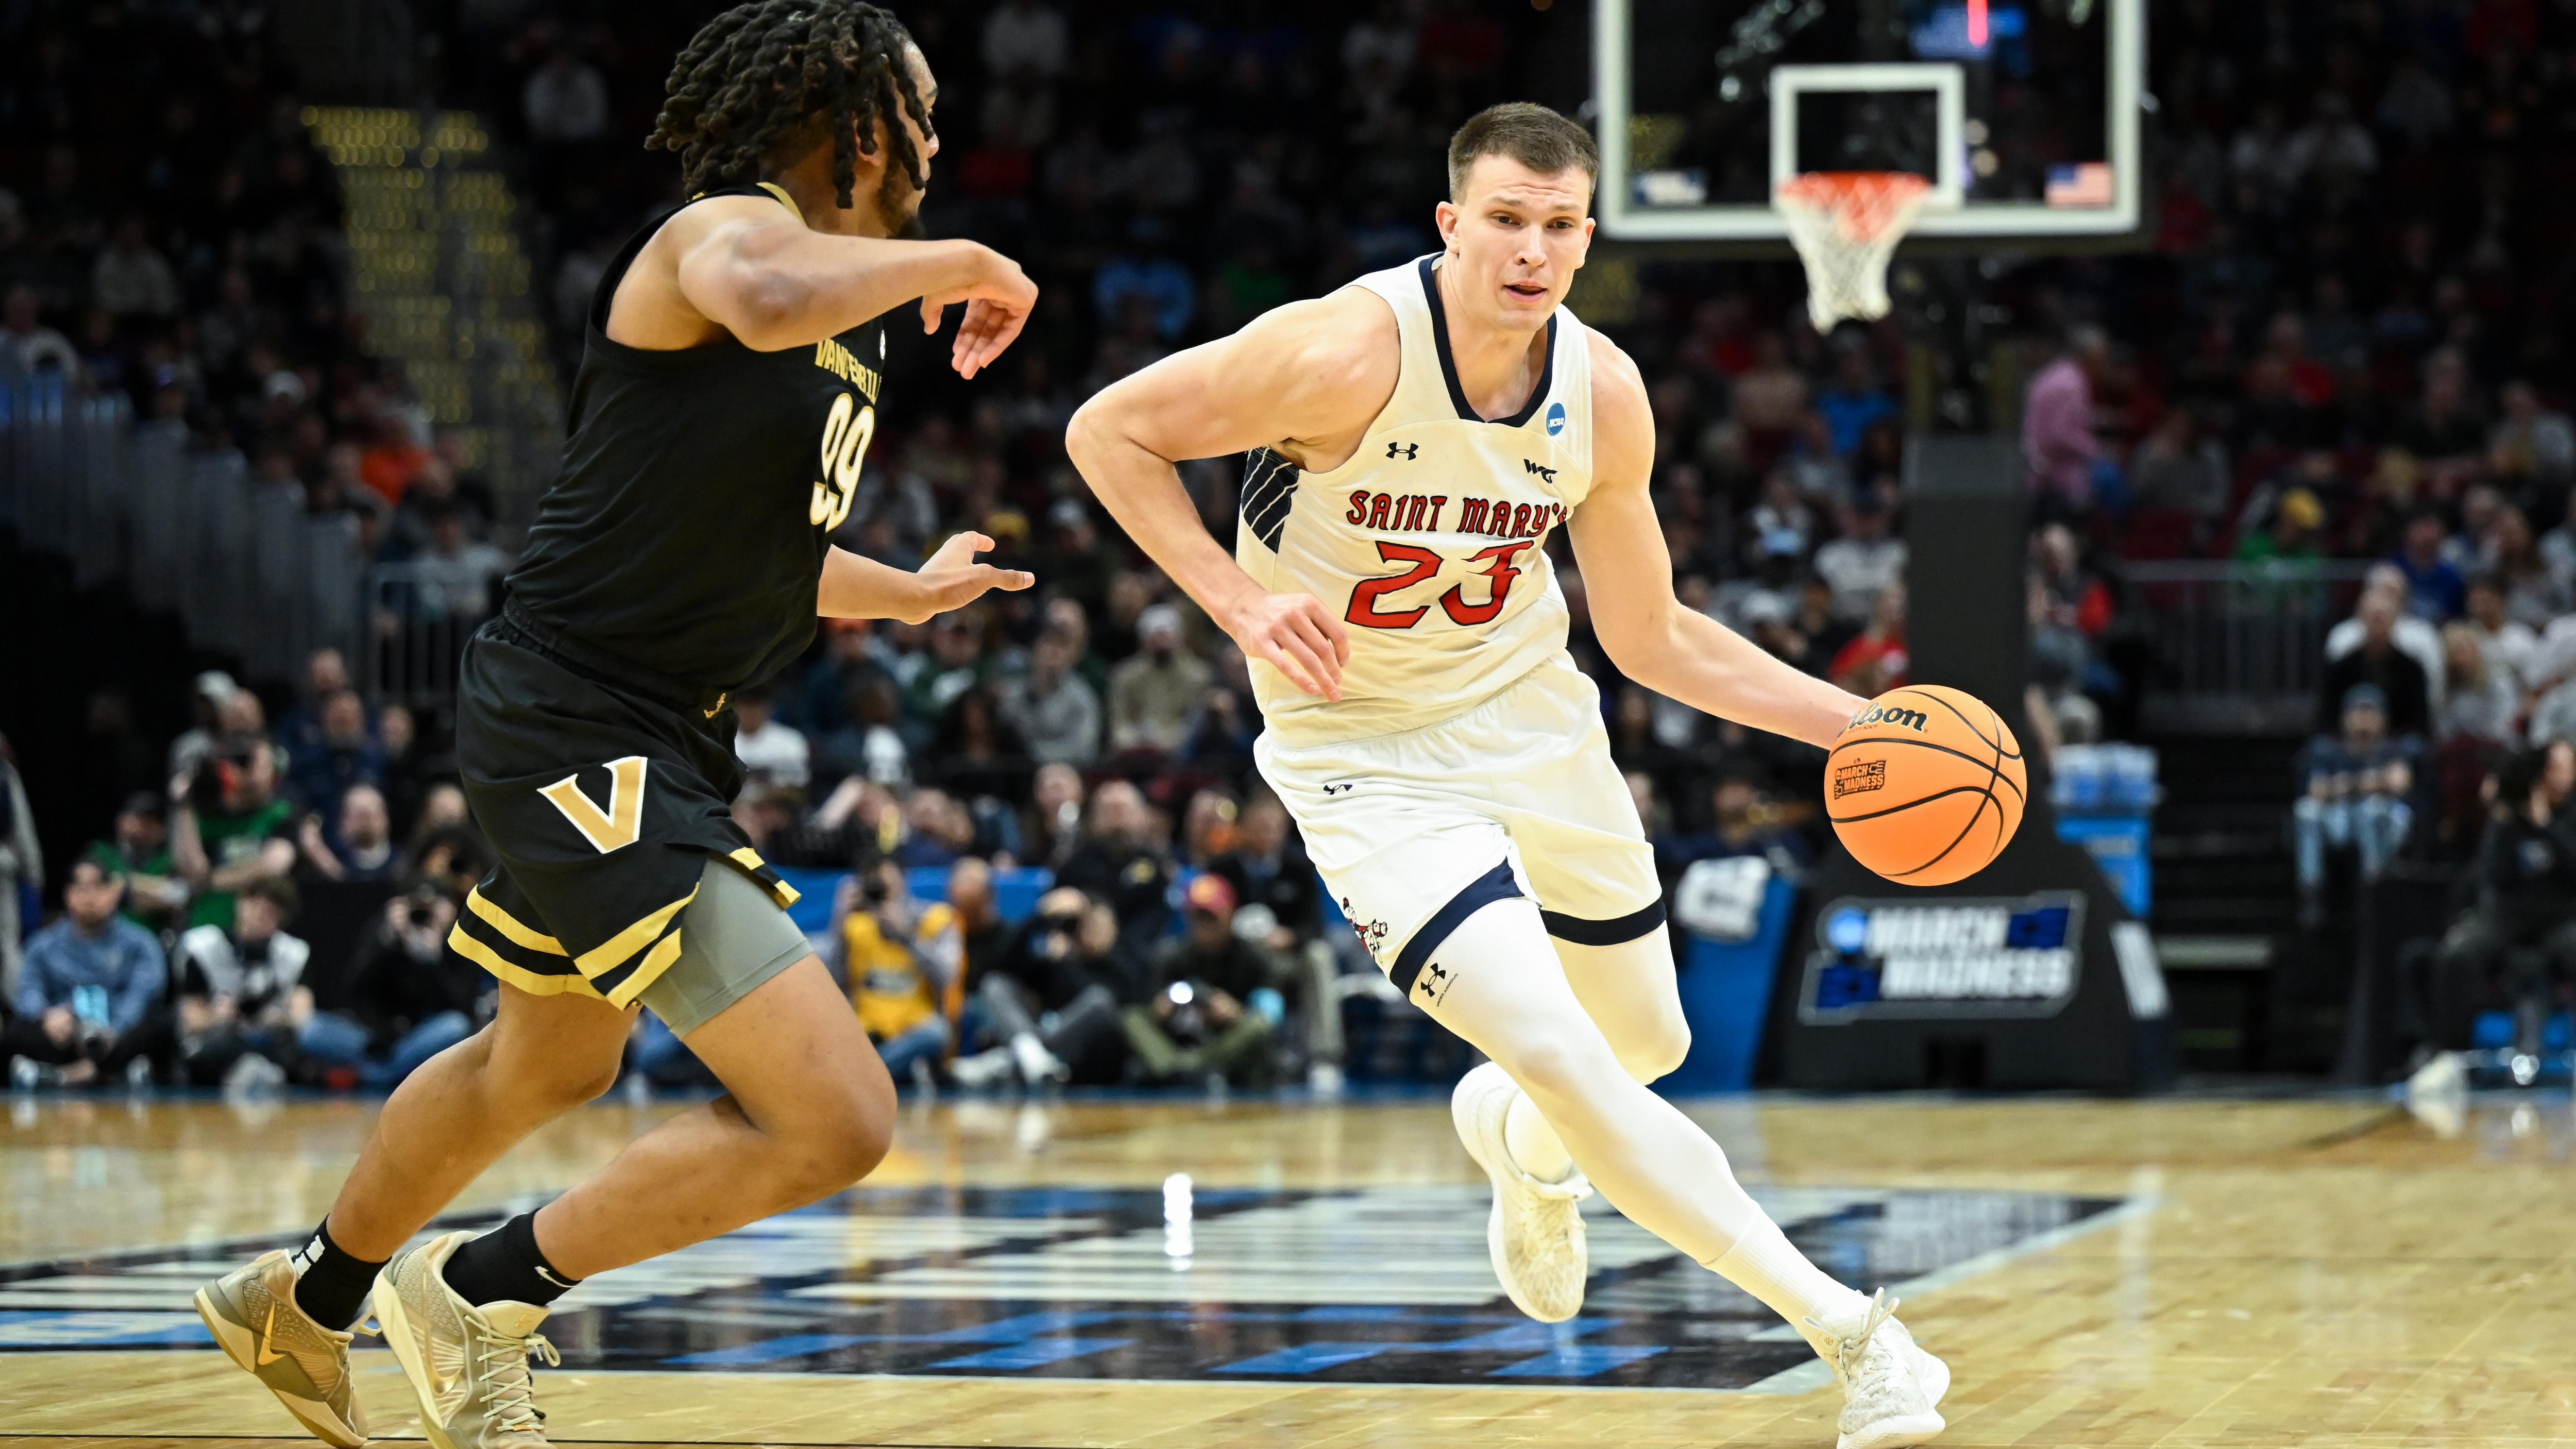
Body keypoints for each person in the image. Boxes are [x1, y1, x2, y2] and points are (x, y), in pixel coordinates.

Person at [192, 6, 1041, 1443]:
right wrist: (967, 259)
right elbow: (761, 293)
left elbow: (754, 541)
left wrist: (903, 596)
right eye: (924, 115)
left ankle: (310, 1299)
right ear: (850, 124)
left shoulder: (837, 309)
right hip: (580, 714)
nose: (940, 147)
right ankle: (481, 1289)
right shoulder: (718, 234)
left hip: (645, 719)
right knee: (837, 1117)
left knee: (549, 1059)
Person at [1067, 102, 1950, 1445]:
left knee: (1643, 1044)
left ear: (1584, 239)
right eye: (1504, 221)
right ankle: (1859, 1337)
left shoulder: (1600, 392)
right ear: (1452, 225)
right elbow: (1108, 431)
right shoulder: (1342, 348)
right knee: (1569, 1056)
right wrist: (1236, 606)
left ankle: (1515, 1140)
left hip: (1535, 719)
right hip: (1362, 757)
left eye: (1556, 228)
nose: (1530, 251)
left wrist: (1861, 726)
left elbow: (1650, 637)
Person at [6, 860, 168, 1088]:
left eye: (98, 887)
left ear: (113, 893)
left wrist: (115, 1028)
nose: (89, 896)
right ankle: (111, 1073)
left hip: (117, 1034)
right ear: (68, 895)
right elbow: (28, 990)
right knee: (15, 1030)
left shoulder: (140, 943)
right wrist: (47, 1016)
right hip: (65, 1036)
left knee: (162, 1024)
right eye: (80, 888)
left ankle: (61, 1076)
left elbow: (143, 993)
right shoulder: (42, 945)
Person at [1124, 874, 1285, 1088]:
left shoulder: (1254, 959)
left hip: (1226, 1047)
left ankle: (1200, 1069)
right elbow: (1149, 1009)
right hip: (1177, 1042)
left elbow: (1269, 1013)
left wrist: (1233, 1012)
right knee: (1131, 1018)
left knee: (1257, 1025)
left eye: (1211, 918)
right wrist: (1161, 1009)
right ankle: (1179, 1070)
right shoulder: (1170, 956)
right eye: (1198, 917)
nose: (1204, 926)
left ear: (1229, 915)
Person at [171, 877, 315, 1089]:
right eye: (254, 906)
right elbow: (190, 1019)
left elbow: (303, 1015)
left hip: (269, 1039)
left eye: (270, 913)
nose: (259, 917)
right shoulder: (205, 948)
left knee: (310, 1043)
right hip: (218, 1040)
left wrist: (277, 1018)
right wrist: (218, 1016)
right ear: (240, 903)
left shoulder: (292, 954)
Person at [2293, 684, 2417, 920]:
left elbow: (2399, 783)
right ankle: (2311, 892)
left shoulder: (2397, 748)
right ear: (2344, 719)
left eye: (2370, 714)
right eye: (2357, 714)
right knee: (2306, 812)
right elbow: (2316, 790)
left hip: (2388, 822)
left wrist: (2344, 785)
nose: (2364, 722)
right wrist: (2370, 782)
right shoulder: (2327, 750)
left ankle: (2376, 892)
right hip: (2343, 822)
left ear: (2384, 720)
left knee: (2373, 810)